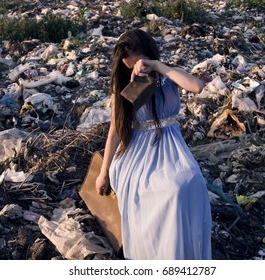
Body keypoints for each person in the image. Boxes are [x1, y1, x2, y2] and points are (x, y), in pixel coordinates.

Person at [95, 29, 212, 260]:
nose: (135, 69)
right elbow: (115, 130)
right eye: (129, 66)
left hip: (171, 145)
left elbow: (197, 87)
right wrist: (103, 172)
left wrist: (157, 66)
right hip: (137, 153)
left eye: (138, 62)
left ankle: (185, 254)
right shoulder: (124, 85)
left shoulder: (168, 76)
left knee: (193, 182)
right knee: (171, 190)